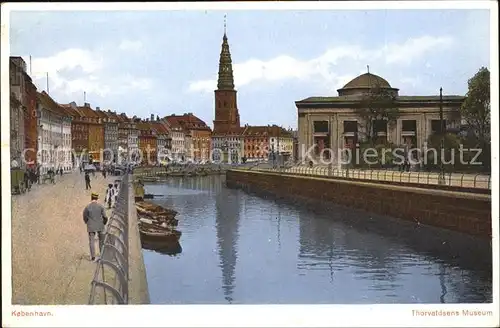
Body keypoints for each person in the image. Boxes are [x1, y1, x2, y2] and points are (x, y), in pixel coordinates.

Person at [83, 192, 108, 262]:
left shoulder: (87, 207)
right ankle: (102, 255)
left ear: (91, 198)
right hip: (100, 225)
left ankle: (93, 257)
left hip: (91, 226)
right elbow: (105, 217)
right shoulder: (101, 206)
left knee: (91, 241)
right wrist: (104, 223)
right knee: (101, 240)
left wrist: (87, 222)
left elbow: (84, 216)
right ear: (97, 198)